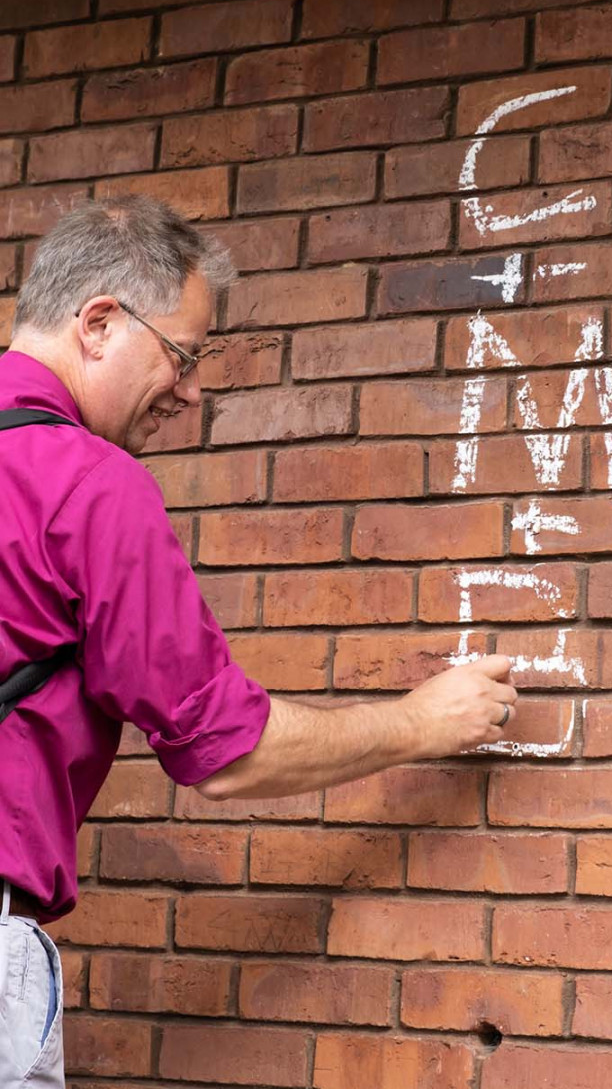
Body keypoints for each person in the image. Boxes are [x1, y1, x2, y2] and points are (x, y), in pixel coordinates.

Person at [0, 195, 516, 1088]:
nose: (193, 392)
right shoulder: (88, 485)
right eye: (184, 356)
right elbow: (224, 752)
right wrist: (420, 724)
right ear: (97, 323)